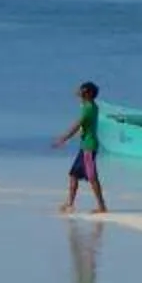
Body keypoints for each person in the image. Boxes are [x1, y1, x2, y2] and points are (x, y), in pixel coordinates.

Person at [52, 80, 108, 214]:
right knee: (73, 175)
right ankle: (70, 204)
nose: (79, 93)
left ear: (88, 94)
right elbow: (84, 127)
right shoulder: (90, 106)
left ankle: (102, 206)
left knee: (92, 177)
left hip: (89, 147)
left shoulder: (88, 109)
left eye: (82, 91)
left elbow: (77, 125)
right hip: (85, 146)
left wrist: (63, 138)